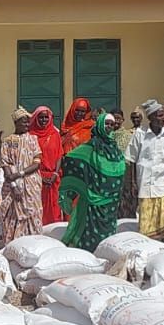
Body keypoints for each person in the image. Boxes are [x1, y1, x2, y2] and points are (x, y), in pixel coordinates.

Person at [59, 108, 127, 252]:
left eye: (111, 124)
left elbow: (120, 164)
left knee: (108, 232)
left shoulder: (114, 147)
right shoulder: (92, 145)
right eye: (106, 124)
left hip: (111, 198)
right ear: (100, 125)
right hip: (93, 195)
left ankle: (106, 252)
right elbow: (73, 157)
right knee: (90, 228)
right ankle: (88, 252)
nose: (109, 127)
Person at [127, 100, 164, 240]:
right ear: (150, 118)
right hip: (145, 180)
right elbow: (131, 158)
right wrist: (132, 182)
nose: (163, 119)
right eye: (159, 116)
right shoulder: (139, 133)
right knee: (147, 218)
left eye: (163, 116)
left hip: (163, 180)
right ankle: (148, 242)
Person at [0, 107, 45, 244]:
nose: (26, 125)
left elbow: (37, 163)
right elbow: (5, 164)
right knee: (12, 216)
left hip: (31, 184)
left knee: (33, 214)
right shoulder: (7, 141)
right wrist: (13, 185)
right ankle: (13, 246)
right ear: (16, 123)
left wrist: (20, 174)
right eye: (23, 122)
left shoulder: (33, 139)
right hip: (12, 184)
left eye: (28, 122)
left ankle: (33, 245)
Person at [29, 106, 64, 223]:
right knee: (38, 209)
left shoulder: (55, 134)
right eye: (41, 118)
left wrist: (55, 173)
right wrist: (40, 177)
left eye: (46, 117)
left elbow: (59, 155)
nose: (44, 120)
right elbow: (28, 159)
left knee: (54, 209)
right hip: (36, 178)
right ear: (36, 119)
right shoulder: (31, 136)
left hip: (53, 178)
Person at [116, 108, 143, 219]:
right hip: (129, 166)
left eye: (138, 117)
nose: (135, 120)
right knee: (129, 192)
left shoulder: (146, 132)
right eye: (133, 117)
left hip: (142, 166)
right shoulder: (128, 133)